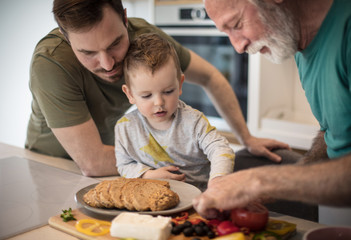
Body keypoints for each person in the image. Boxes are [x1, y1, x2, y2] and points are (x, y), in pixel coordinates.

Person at [25, 0, 290, 177]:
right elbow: (92, 162)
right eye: (88, 53)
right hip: (50, 166)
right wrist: (175, 167)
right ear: (65, 35)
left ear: (125, 19)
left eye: (115, 43)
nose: (107, 64)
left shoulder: (145, 38)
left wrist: (247, 138)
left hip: (121, 162)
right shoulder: (50, 64)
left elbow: (211, 77)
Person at [193, 0, 351, 219]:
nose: (237, 47)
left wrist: (259, 183)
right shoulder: (298, 44)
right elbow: (331, 132)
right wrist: (291, 177)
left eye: (237, 24)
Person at [114, 33, 235, 191]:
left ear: (180, 84)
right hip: (154, 198)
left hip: (199, 199)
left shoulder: (193, 121)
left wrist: (218, 181)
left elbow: (221, 149)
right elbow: (124, 165)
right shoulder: (125, 128)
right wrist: (148, 175)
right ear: (130, 94)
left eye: (168, 91)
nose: (159, 102)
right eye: (147, 95)